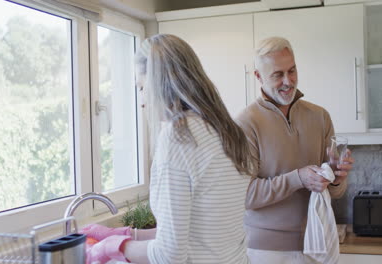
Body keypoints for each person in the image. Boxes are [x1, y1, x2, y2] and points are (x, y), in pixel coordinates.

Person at [115, 34, 255, 264]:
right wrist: (127, 235)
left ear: (159, 84)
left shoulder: (178, 137)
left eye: (142, 87)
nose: (141, 101)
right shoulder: (226, 130)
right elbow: (196, 234)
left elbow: (168, 256)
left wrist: (114, 248)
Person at [235, 36, 354, 263]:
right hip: (265, 252)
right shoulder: (245, 123)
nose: (288, 81)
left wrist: (337, 177)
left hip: (317, 244)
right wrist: (298, 178)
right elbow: (246, 195)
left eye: (292, 71)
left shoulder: (320, 116)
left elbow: (335, 193)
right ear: (258, 76)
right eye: (278, 75)